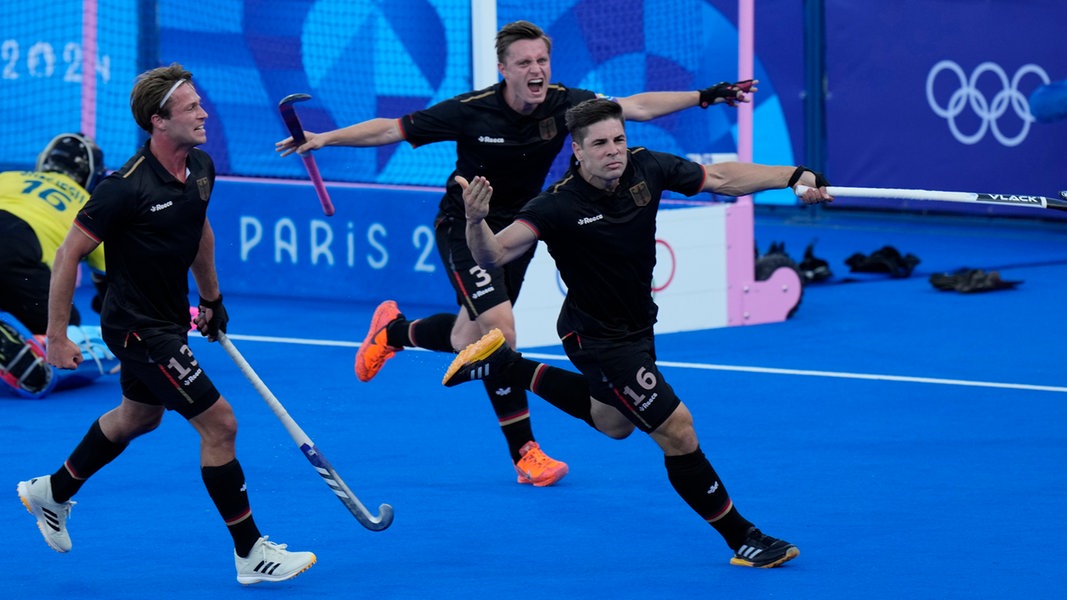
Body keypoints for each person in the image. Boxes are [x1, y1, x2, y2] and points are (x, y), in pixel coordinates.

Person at [276, 20, 757, 487]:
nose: (537, 70)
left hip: (520, 232)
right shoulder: (471, 110)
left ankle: (396, 331)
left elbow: (636, 106)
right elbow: (391, 130)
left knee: (470, 333)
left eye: (543, 59)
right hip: (467, 228)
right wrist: (323, 138)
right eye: (524, 62)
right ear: (503, 68)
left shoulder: (566, 104)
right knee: (499, 332)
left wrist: (705, 96)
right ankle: (526, 453)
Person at [443, 97, 832, 568]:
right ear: (578, 151)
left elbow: (724, 178)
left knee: (613, 423)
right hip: (596, 338)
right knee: (677, 430)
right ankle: (742, 538)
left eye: (619, 140)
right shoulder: (557, 205)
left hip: (638, 326)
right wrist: (475, 221)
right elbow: (493, 257)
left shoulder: (646, 169)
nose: (614, 151)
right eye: (601, 143)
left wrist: (794, 175)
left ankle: (506, 364)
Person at [16, 63, 316, 585]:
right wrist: (58, 336)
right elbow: (68, 256)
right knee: (220, 424)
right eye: (192, 108)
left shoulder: (200, 167)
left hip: (169, 321)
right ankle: (251, 554)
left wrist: (212, 298)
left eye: (201, 104)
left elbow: (199, 231)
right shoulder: (122, 189)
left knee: (138, 418)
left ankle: (52, 491)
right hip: (136, 328)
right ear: (158, 121)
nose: (204, 113)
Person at [0, 133, 117, 398]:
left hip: (12, 248)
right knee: (67, 330)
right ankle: (32, 348)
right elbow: (113, 287)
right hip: (17, 256)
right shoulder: (91, 205)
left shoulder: (8, 177)